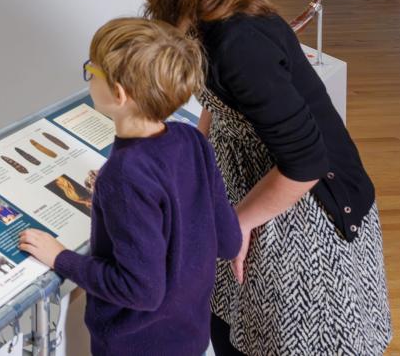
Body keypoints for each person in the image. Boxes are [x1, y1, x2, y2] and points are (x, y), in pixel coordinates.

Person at [117, 0, 391, 356]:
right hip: (247, 193)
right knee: (232, 332)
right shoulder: (201, 15)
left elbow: (306, 162)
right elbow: (222, 101)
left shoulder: (239, 42)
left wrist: (238, 224)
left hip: (302, 219)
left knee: (282, 343)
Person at [18, 18, 241, 356]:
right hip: (190, 335)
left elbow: (141, 290)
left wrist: (60, 258)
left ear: (119, 94)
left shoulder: (124, 176)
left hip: (134, 346)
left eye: (92, 69)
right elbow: (228, 240)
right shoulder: (192, 140)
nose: (89, 75)